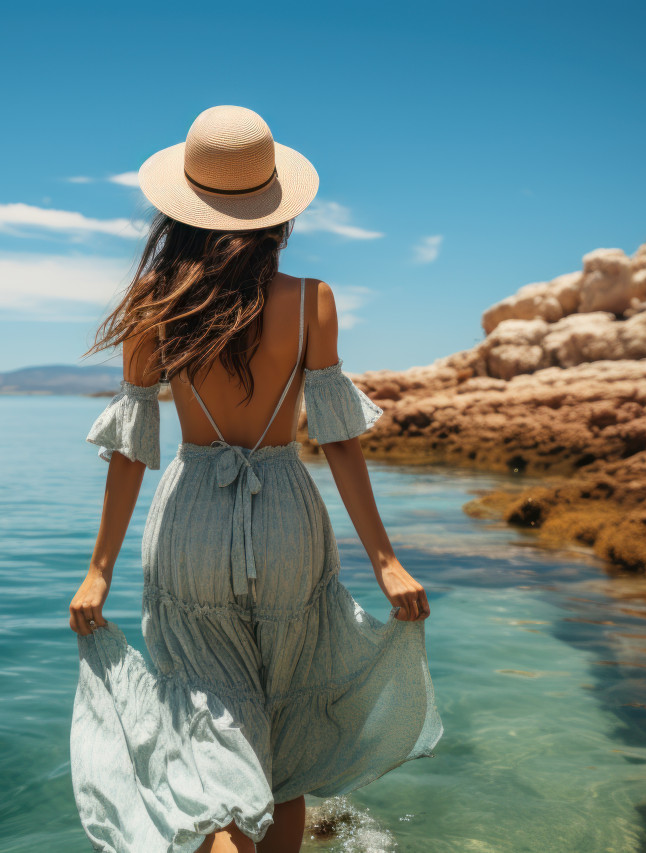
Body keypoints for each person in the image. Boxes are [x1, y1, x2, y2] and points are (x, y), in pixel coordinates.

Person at [69, 105, 443, 853]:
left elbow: (132, 450)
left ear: (180, 209)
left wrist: (98, 572)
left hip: (190, 526)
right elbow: (338, 439)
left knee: (208, 736)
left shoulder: (154, 306)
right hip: (287, 523)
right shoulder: (311, 302)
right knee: (286, 751)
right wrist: (385, 560)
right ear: (277, 213)